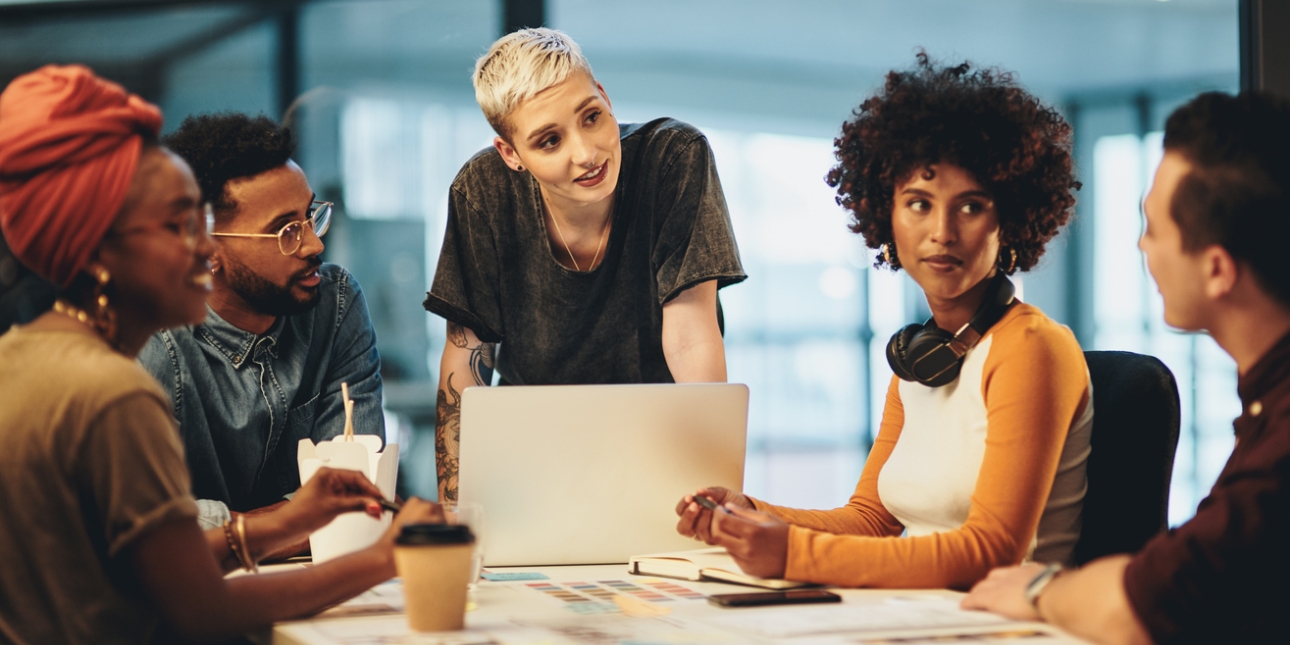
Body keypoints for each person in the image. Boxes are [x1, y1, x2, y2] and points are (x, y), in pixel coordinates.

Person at [0, 65, 439, 644]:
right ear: (99, 253)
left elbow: (146, 571)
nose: (201, 250)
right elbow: (202, 609)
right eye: (179, 227)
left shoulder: (21, 356)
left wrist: (285, 519)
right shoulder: (114, 393)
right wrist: (390, 557)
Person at [675, 54, 1092, 589]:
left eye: (970, 206)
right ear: (885, 215)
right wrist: (749, 512)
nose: (942, 231)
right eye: (919, 203)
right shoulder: (920, 358)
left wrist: (792, 553)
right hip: (915, 617)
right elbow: (870, 522)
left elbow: (992, 552)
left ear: (1009, 219)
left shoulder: (1033, 347)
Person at [963, 91, 1290, 644]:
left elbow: (1140, 605)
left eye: (1154, 228)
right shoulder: (1268, 407)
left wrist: (1040, 591)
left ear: (1217, 270)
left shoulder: (1280, 449)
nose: (1142, 246)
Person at [425, 28, 746, 503]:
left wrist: (710, 486)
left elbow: (690, 331)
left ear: (606, 98)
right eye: (549, 141)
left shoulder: (674, 158)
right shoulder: (482, 192)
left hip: (659, 451)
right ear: (511, 154)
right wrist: (456, 514)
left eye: (592, 117)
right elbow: (467, 359)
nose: (587, 153)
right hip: (530, 464)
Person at [138, 113, 384, 535]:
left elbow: (357, 496)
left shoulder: (335, 304)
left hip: (315, 576)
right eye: (287, 230)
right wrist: (296, 520)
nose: (314, 243)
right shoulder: (148, 341)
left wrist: (232, 529)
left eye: (311, 216)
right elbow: (143, 528)